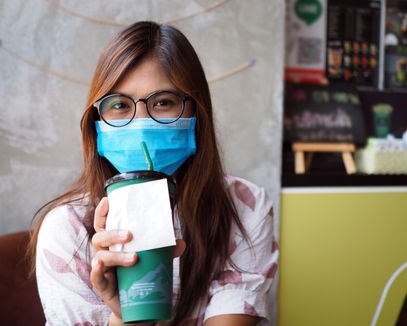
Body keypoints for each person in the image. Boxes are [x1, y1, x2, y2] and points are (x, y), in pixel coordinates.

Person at [28, 21, 278, 326]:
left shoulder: (244, 206)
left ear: (196, 113)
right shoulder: (67, 231)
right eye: (119, 104)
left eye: (163, 102)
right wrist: (128, 314)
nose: (141, 122)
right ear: (97, 122)